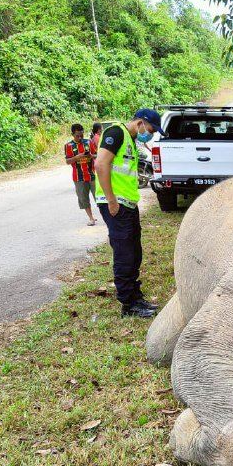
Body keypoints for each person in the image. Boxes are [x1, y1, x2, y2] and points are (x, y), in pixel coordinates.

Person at [93, 109, 164, 318]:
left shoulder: (130, 140)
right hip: (116, 204)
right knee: (125, 254)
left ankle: (135, 296)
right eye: (151, 130)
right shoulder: (116, 133)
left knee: (134, 252)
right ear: (141, 123)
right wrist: (111, 200)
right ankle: (128, 304)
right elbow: (101, 164)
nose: (150, 134)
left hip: (128, 203)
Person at [64, 124, 97, 226]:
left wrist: (91, 156)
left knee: (99, 197)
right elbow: (67, 161)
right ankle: (91, 218)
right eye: (77, 135)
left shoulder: (89, 142)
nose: (80, 137)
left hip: (91, 175)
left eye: (81, 135)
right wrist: (76, 157)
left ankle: (107, 216)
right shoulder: (68, 146)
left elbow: (97, 155)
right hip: (78, 177)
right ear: (72, 134)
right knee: (84, 199)